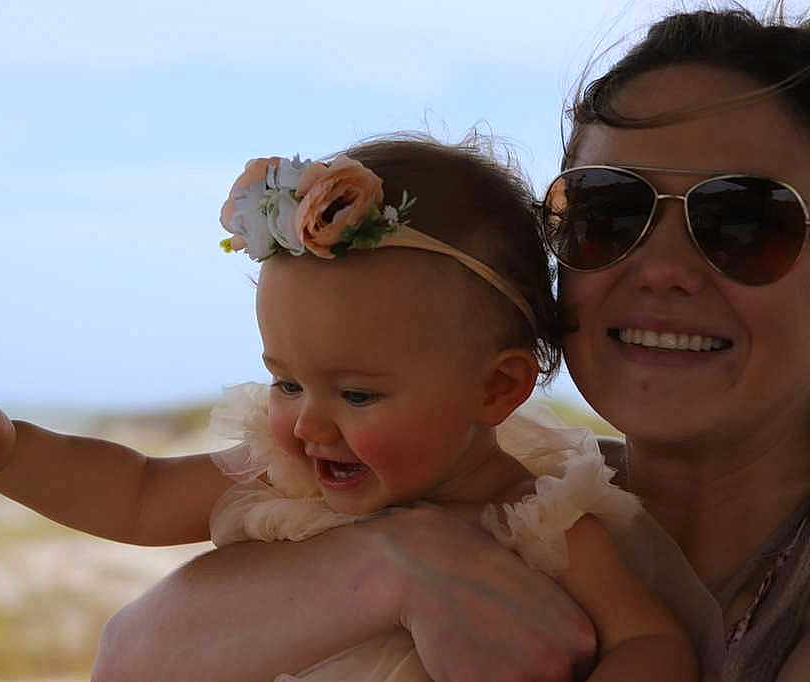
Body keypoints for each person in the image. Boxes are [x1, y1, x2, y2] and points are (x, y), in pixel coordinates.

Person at [89, 5, 810, 682]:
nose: (660, 269)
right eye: (608, 212)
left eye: (744, 222)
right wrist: (398, 566)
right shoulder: (500, 487)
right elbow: (127, 656)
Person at [0, 137, 698, 680]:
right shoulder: (286, 478)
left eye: (358, 393)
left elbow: (651, 641)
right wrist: (9, 453)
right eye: (286, 383)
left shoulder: (544, 522)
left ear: (496, 390)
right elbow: (135, 491)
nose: (309, 424)